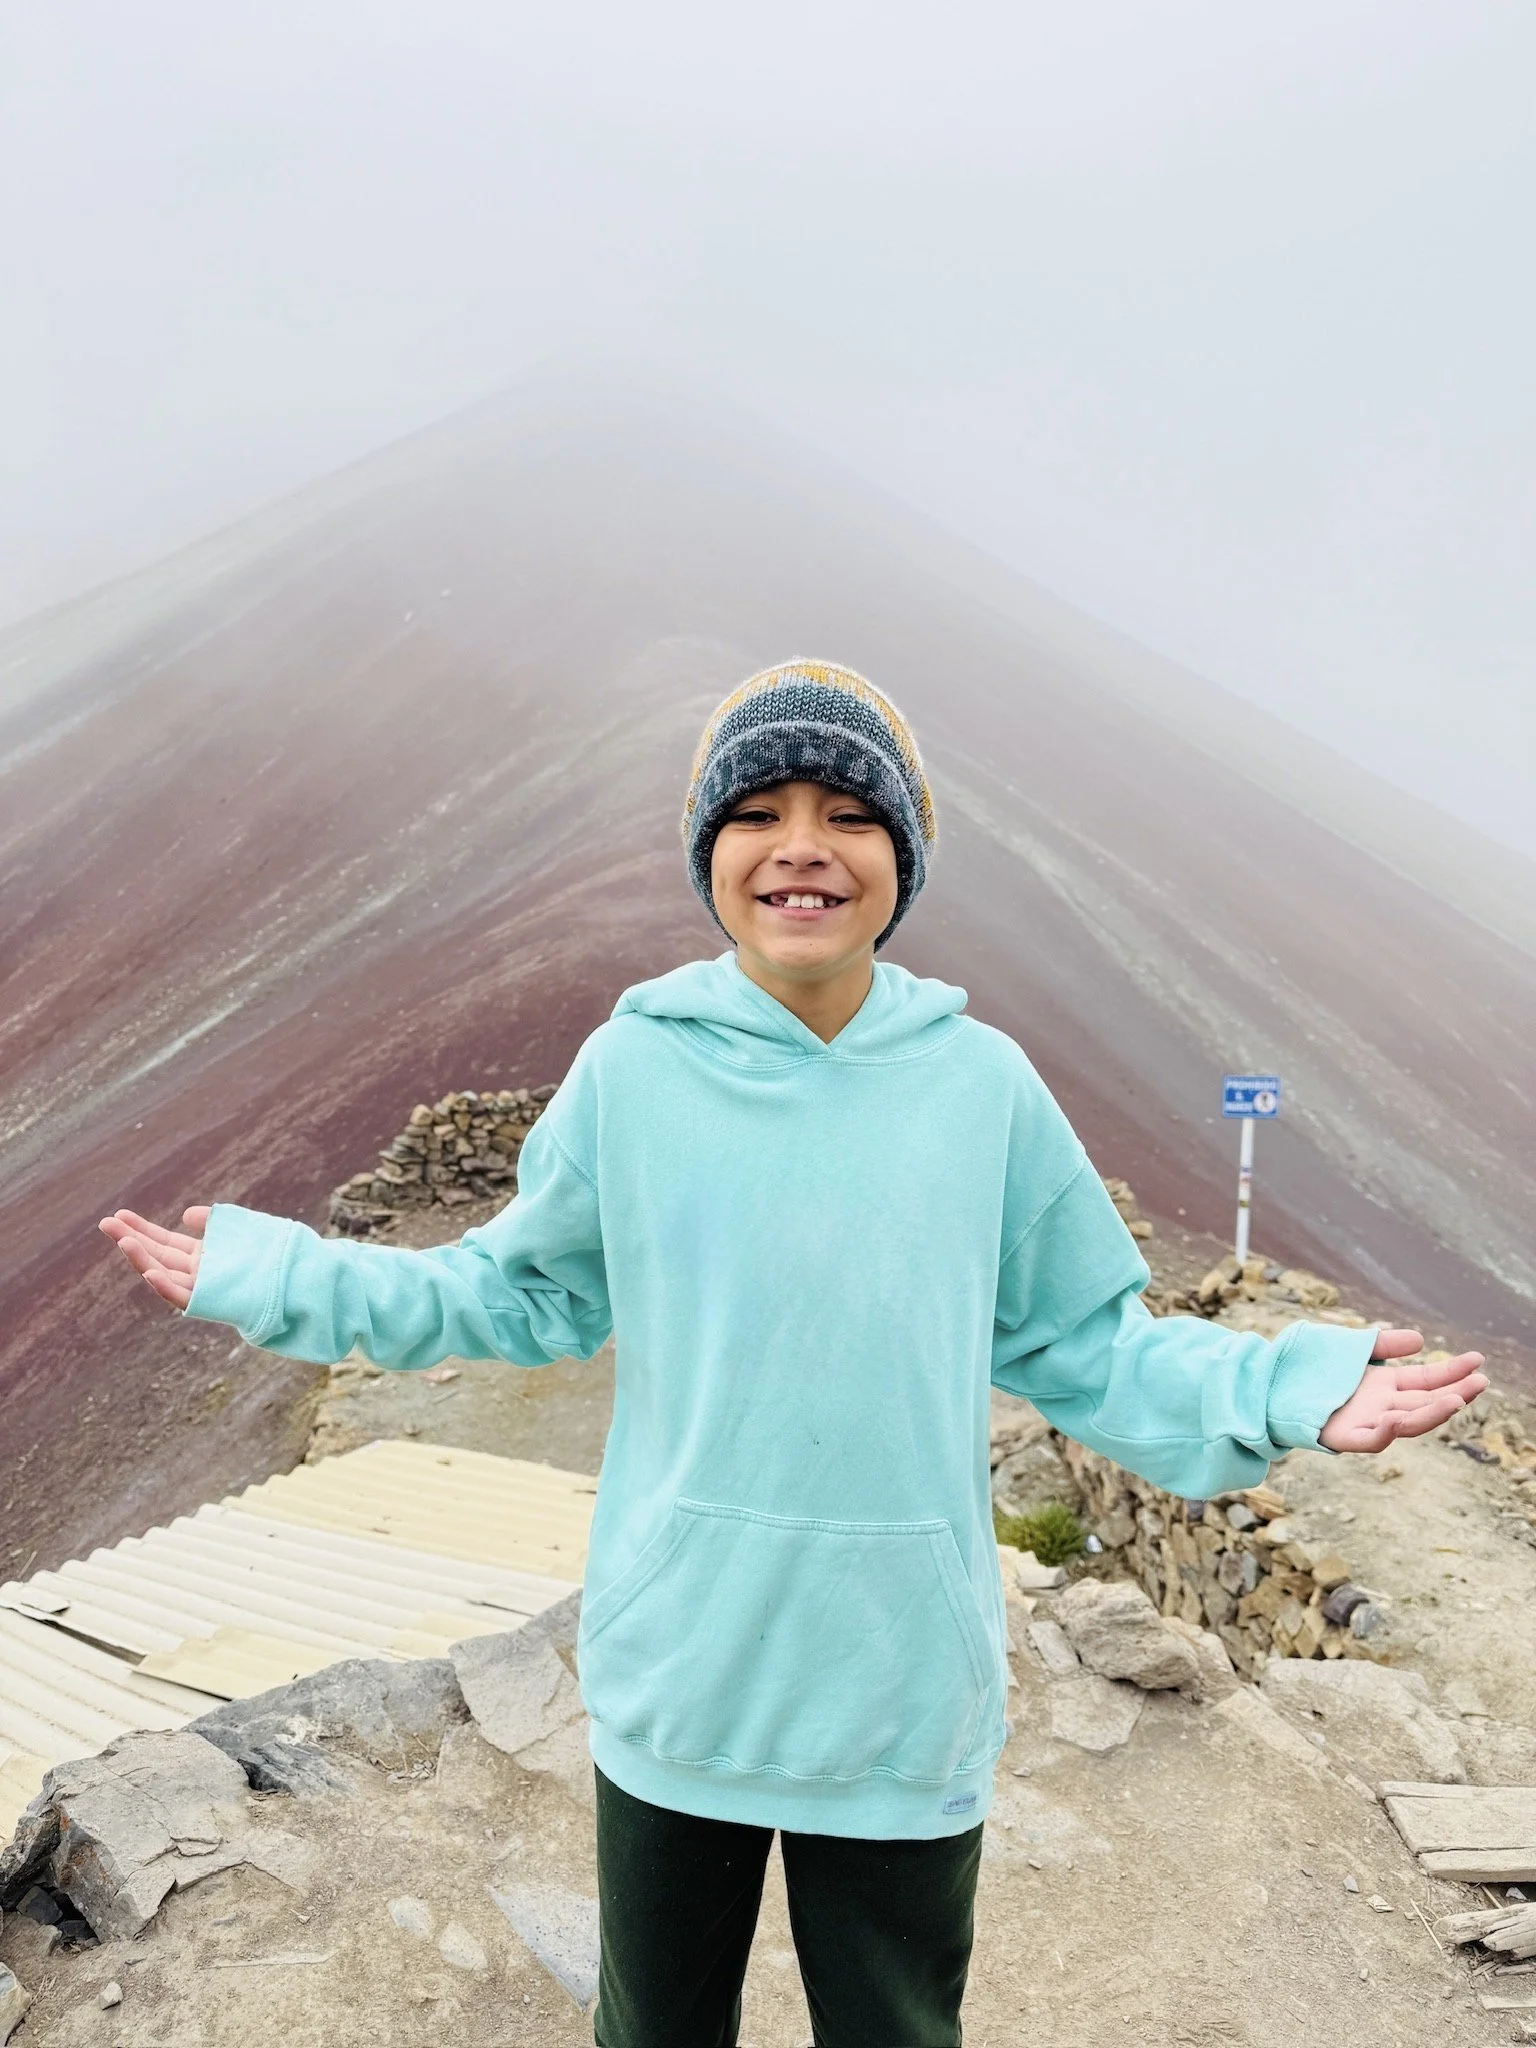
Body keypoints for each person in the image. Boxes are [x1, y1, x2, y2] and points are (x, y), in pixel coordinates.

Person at [102, 660, 1487, 2048]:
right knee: (656, 2031)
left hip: (900, 1686)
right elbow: (510, 1297)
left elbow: (1087, 1347)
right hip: (683, 1670)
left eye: (850, 812)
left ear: (905, 856)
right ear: (712, 852)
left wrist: (1287, 1387)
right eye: (759, 810)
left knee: (894, 2032)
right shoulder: (633, 1073)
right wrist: (273, 1273)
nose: (803, 846)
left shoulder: (983, 1090)